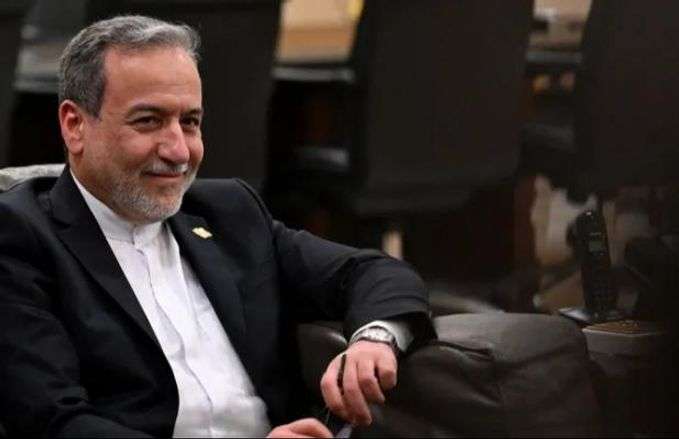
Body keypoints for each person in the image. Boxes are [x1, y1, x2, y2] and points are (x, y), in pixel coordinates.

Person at [0, 15, 432, 438]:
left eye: (190, 122)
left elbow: (371, 271)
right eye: (148, 121)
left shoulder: (227, 213)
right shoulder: (20, 236)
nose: (179, 151)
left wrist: (373, 340)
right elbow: (55, 422)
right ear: (75, 126)